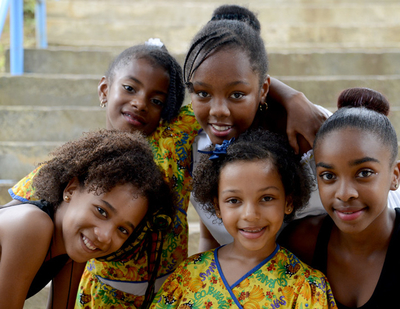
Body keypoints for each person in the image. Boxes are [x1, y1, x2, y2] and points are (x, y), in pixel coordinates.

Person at [7, 37, 326, 307]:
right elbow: (43, 232)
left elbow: (221, 87)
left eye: (156, 99)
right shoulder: (80, 172)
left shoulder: (178, 132)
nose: (140, 103)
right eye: (130, 89)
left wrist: (291, 96)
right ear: (105, 90)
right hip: (104, 294)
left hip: (169, 291)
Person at [186, 5, 400, 252]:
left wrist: (292, 98)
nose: (218, 110)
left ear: (263, 89)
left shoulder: (311, 133)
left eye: (237, 94)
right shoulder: (195, 144)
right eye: (203, 93)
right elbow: (211, 233)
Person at [278, 88, 400, 309]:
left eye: (364, 173)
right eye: (328, 176)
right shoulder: (300, 241)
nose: (344, 193)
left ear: (395, 175)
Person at [152, 129, 338, 309]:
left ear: (288, 202)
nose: (250, 214)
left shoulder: (307, 286)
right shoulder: (189, 273)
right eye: (234, 200)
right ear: (217, 207)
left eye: (266, 198)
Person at [0, 129, 175, 309]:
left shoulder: (72, 250)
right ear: (71, 190)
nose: (105, 236)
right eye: (101, 211)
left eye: (123, 230)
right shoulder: (31, 224)